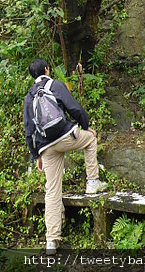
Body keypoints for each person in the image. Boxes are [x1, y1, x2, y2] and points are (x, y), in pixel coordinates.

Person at [24, 58, 108, 254]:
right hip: (66, 136)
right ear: (46, 69)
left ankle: (51, 241)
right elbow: (75, 109)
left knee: (52, 191)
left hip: (46, 147)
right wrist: (86, 127)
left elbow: (28, 130)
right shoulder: (55, 85)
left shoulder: (29, 96)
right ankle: (93, 182)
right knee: (90, 140)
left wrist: (37, 154)